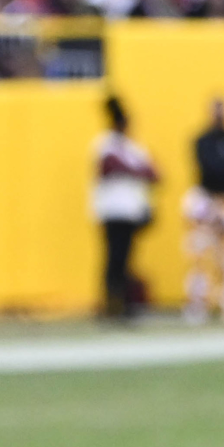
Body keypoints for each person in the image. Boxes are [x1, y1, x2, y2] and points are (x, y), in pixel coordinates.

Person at [91, 95, 157, 321]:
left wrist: (133, 170)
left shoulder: (133, 148)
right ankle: (111, 305)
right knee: (113, 259)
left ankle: (126, 305)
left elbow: (155, 174)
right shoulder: (104, 143)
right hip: (111, 211)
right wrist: (136, 170)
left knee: (126, 258)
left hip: (131, 211)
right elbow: (108, 166)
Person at [184, 99, 224, 324]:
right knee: (199, 255)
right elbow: (209, 168)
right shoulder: (202, 140)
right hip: (205, 199)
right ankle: (198, 302)